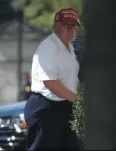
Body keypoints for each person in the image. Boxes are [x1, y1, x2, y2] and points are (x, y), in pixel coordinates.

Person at [24, 8, 81, 150]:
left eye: (73, 27)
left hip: (65, 108)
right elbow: (50, 83)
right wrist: (79, 100)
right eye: (66, 27)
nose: (70, 31)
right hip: (46, 109)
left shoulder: (71, 50)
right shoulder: (47, 48)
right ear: (55, 28)